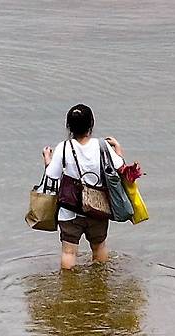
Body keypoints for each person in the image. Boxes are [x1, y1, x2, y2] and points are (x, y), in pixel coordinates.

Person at [42, 104, 126, 270]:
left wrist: (47, 159)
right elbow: (120, 167)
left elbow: (52, 175)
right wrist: (117, 148)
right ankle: (100, 282)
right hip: (98, 208)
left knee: (69, 252)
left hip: (69, 209)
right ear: (91, 124)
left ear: (69, 127)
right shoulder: (103, 146)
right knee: (99, 246)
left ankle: (68, 287)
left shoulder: (63, 147)